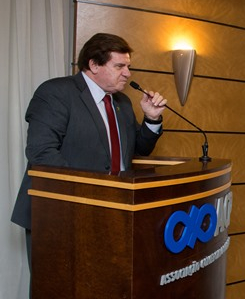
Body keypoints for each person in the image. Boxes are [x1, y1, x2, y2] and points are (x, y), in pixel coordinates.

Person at [11, 33, 167, 252]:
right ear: (94, 65)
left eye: (128, 66)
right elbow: (42, 153)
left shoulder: (122, 102)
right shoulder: (56, 92)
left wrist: (151, 118)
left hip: (114, 212)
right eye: (119, 66)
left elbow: (139, 151)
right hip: (60, 214)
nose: (127, 73)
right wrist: (91, 198)